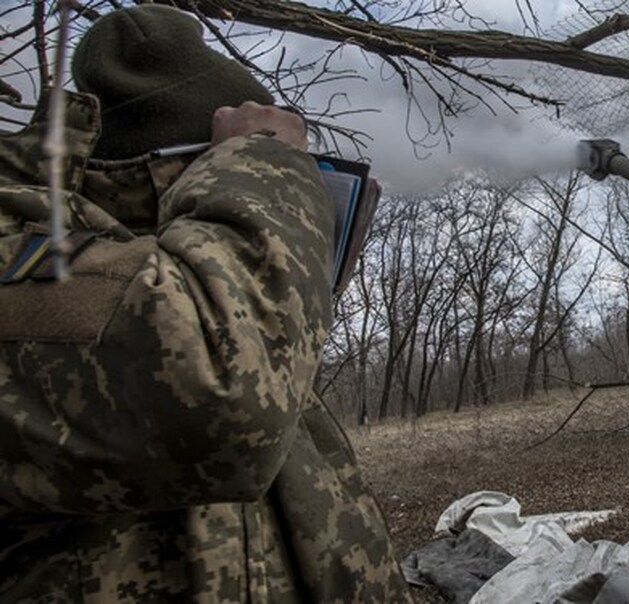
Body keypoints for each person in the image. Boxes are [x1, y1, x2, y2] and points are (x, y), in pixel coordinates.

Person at [0, 6, 407, 601]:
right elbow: (221, 397)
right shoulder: (30, 255)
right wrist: (264, 171)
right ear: (186, 174)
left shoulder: (209, 296)